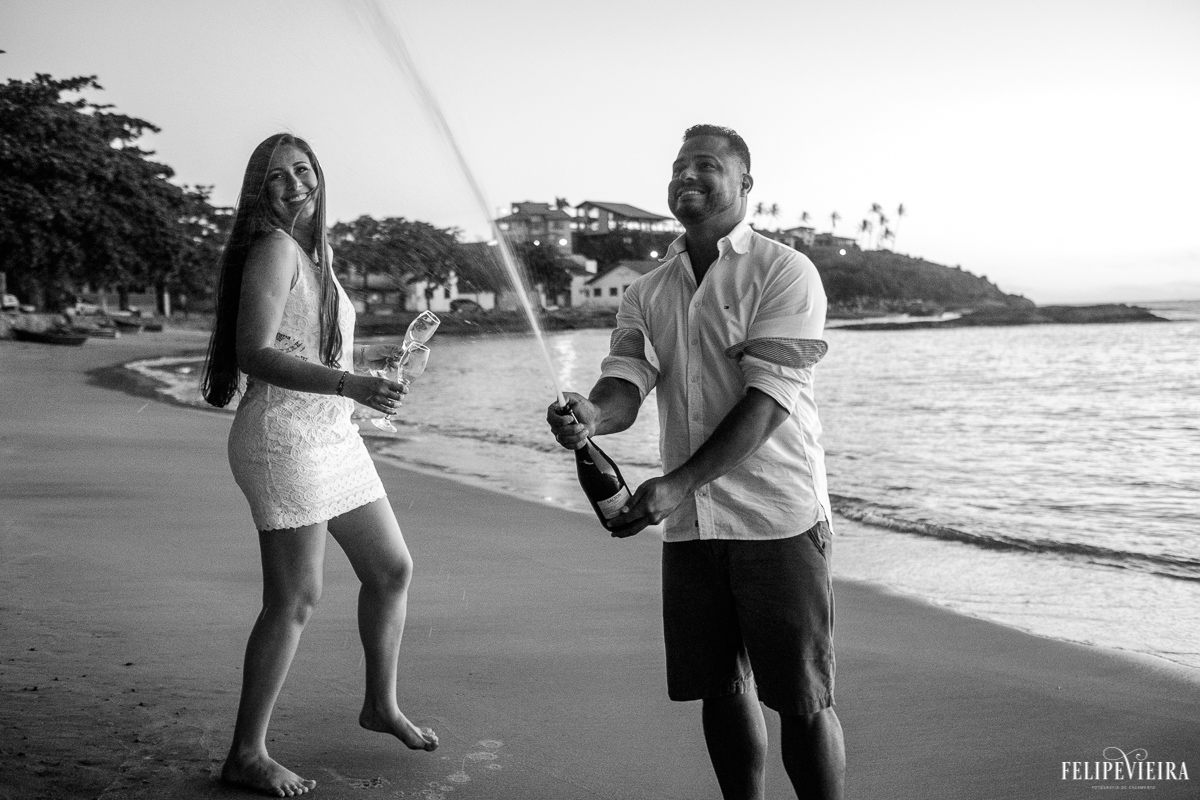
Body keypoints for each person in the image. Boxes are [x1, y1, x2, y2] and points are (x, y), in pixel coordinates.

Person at [547, 125, 845, 799]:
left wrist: (676, 484)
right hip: (692, 527)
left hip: (778, 516)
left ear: (745, 184)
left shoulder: (784, 272)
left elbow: (769, 401)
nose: (687, 176)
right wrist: (592, 416)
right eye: (679, 167)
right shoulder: (646, 290)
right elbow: (624, 380)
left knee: (801, 698)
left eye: (706, 166)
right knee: (718, 688)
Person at [202, 133, 438, 798]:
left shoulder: (314, 253)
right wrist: (350, 386)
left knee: (391, 569)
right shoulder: (275, 249)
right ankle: (246, 753)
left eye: (302, 170)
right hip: (283, 437)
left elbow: (311, 344)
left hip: (330, 433)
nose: (293, 185)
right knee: (295, 597)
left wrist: (378, 371)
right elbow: (255, 353)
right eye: (276, 178)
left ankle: (379, 705)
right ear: (258, 191)